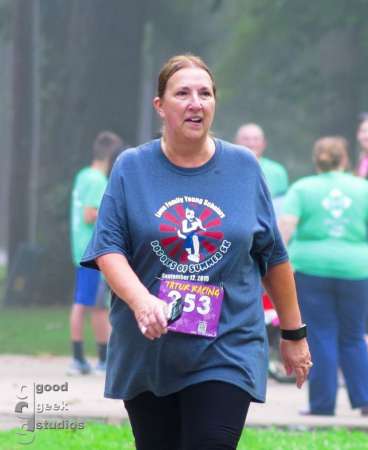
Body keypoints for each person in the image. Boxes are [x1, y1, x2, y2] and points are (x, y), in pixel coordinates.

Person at [80, 54, 311, 450]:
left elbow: (272, 255)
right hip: (150, 349)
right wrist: (141, 302)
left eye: (205, 93)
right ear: (160, 105)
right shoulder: (131, 167)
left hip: (227, 343)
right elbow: (108, 249)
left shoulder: (243, 167)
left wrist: (294, 333)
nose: (195, 103)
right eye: (183, 93)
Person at [279, 136, 368, 417]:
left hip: (311, 268)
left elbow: (286, 227)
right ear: (345, 159)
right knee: (354, 335)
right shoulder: (363, 188)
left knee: (320, 334)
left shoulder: (303, 188)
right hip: (357, 269)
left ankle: (321, 404)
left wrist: (279, 264)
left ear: (316, 160)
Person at [68, 130, 123, 375]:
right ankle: (85, 358)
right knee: (89, 304)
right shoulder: (97, 180)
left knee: (93, 304)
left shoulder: (83, 175)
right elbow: (90, 214)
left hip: (83, 251)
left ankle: (95, 357)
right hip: (92, 254)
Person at [235, 123, 289, 198]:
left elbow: (280, 203)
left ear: (264, 143)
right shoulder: (226, 168)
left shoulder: (277, 171)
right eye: (246, 139)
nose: (251, 144)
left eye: (256, 139)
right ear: (235, 142)